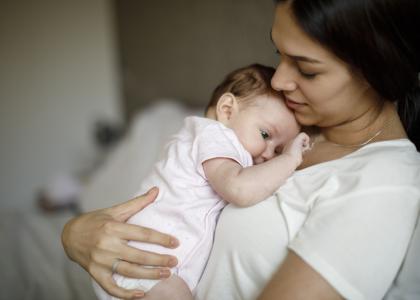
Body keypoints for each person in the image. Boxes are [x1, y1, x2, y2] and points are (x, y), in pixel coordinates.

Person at [62, 0, 420, 299]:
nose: (279, 81)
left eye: (307, 70)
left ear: (376, 69)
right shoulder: (289, 120)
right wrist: (75, 233)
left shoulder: (383, 182)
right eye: (279, 54)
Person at [93, 64, 310, 300]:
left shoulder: (225, 146)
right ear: (227, 111)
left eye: (278, 149)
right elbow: (239, 189)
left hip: (157, 270)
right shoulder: (213, 136)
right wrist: (289, 159)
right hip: (145, 266)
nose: (269, 155)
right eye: (266, 135)